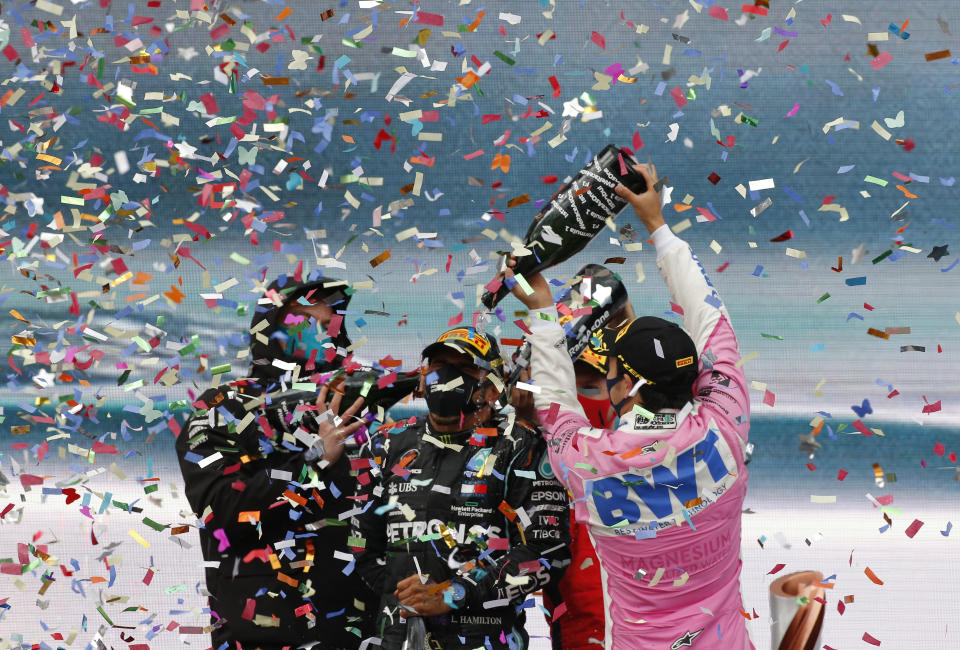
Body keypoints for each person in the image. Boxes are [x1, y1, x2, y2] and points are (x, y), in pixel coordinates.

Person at [505, 162, 754, 650]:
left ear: (630, 386)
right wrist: (657, 225)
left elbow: (552, 401)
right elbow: (710, 315)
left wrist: (541, 312)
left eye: (613, 368)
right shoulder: (725, 424)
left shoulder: (587, 461)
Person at [176, 271, 374, 649]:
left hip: (351, 632)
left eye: (333, 323)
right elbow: (224, 512)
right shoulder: (221, 408)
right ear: (275, 325)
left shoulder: (354, 412)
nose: (329, 333)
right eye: (314, 322)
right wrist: (312, 460)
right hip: (258, 632)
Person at [351, 327, 571, 649]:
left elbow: (548, 553)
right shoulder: (384, 443)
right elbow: (361, 547)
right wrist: (407, 598)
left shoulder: (519, 446)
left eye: (466, 368)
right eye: (440, 366)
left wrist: (455, 594)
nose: (448, 377)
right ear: (424, 378)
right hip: (396, 639)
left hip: (485, 639)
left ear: (494, 389)